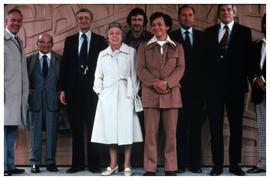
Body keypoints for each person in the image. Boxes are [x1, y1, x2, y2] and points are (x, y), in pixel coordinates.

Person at [204, 5, 252, 176]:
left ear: (234, 13)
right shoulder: (208, 32)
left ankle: (235, 164)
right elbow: (204, 62)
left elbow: (248, 60)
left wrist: (250, 80)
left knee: (236, 126)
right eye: (222, 10)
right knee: (215, 127)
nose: (225, 13)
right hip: (213, 89)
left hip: (236, 88)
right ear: (219, 14)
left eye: (228, 10)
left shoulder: (244, 32)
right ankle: (217, 164)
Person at [136, 12, 185, 176]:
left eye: (160, 24)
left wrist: (167, 83)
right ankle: (150, 168)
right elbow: (140, 69)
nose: (156, 27)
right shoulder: (144, 46)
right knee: (150, 135)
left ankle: (170, 167)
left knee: (171, 135)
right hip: (150, 95)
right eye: (154, 24)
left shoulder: (177, 46)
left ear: (167, 26)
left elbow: (181, 68)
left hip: (171, 95)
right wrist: (155, 83)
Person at [91, 22, 143, 176]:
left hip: (126, 94)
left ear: (122, 36)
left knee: (127, 129)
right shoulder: (102, 54)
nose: (115, 36)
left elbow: (136, 76)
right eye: (112, 33)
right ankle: (113, 164)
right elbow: (97, 76)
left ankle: (127, 164)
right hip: (108, 96)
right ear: (107, 36)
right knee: (110, 130)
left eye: (118, 33)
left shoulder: (131, 52)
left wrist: (132, 93)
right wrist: (101, 94)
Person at [59, 8, 107, 173]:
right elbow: (65, 66)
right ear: (77, 21)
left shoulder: (101, 40)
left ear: (91, 20)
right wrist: (62, 89)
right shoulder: (70, 40)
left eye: (86, 18)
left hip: (94, 92)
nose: (83, 20)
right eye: (80, 18)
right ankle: (77, 164)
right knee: (77, 130)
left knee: (94, 129)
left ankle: (94, 165)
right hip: (73, 92)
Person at [169, 5, 205, 174]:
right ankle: (180, 163)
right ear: (178, 17)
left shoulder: (203, 37)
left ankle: (195, 163)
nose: (187, 18)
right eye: (183, 15)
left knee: (196, 128)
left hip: (198, 91)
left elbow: (208, 65)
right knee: (179, 129)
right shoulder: (171, 37)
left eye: (190, 15)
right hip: (177, 90)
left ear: (194, 17)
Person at [27, 33, 61, 173]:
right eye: (42, 42)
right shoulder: (29, 60)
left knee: (52, 133)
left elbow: (63, 80)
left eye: (48, 42)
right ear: (37, 44)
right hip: (35, 102)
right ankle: (35, 162)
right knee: (35, 133)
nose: (45, 44)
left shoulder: (59, 59)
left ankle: (50, 162)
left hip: (53, 101)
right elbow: (25, 80)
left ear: (52, 44)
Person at [4, 8, 29, 176]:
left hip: (16, 96)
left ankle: (10, 165)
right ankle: (3, 168)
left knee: (11, 133)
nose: (16, 23)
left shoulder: (18, 41)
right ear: (6, 21)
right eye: (13, 20)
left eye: (19, 21)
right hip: (5, 95)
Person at [246, 13, 266, 174]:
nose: (267, 25)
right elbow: (250, 68)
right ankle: (263, 163)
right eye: (265, 23)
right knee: (264, 129)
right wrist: (255, 79)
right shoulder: (257, 44)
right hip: (261, 93)